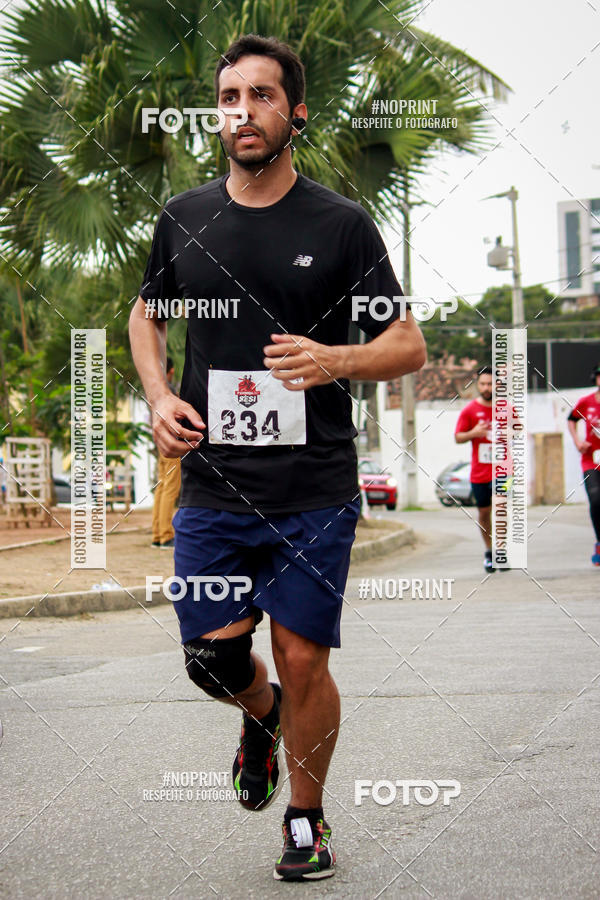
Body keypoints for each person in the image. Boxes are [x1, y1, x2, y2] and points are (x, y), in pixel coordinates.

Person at [129, 33, 426, 882]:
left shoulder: (339, 225)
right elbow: (145, 317)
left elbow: (406, 345)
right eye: (230, 97)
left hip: (313, 486)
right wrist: (158, 397)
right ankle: (257, 716)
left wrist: (334, 358)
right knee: (212, 660)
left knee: (303, 656)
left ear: (295, 112)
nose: (243, 112)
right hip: (215, 484)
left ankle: (307, 818)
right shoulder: (185, 218)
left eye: (261, 96)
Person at [455, 366, 496, 573]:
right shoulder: (470, 410)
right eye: (483, 384)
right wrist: (474, 432)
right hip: (480, 472)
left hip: (502, 470)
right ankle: (490, 551)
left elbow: (519, 432)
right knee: (484, 512)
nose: (487, 388)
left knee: (503, 507)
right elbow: (458, 437)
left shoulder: (506, 408)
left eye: (490, 384)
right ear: (478, 385)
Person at [567, 362, 600, 566]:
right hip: (591, 459)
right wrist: (578, 441)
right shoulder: (586, 402)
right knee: (596, 500)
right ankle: (599, 542)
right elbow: (571, 419)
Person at [151, 356, 182, 549]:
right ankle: (165, 535)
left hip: (161, 444)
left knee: (162, 488)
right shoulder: (169, 392)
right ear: (170, 371)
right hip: (173, 444)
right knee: (170, 489)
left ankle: (157, 533)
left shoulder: (155, 392)